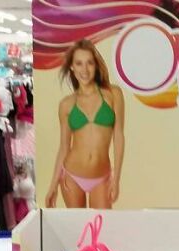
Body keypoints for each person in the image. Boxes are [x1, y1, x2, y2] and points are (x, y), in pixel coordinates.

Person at [46, 39, 125, 210]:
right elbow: (64, 147)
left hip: (102, 177)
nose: (85, 69)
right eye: (79, 63)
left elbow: (118, 136)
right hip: (71, 176)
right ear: (72, 67)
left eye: (89, 63)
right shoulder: (66, 104)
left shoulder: (113, 94)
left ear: (96, 65)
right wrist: (53, 185)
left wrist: (117, 178)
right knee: (77, 226)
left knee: (103, 225)